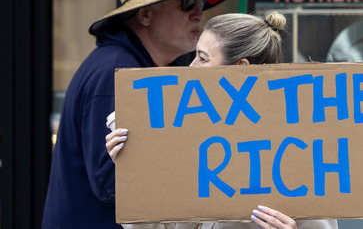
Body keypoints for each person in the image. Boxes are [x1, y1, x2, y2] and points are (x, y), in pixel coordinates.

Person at [43, 0, 238, 229]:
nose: (199, 14)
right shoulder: (118, 72)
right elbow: (113, 183)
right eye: (185, 3)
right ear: (145, 15)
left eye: (200, 3)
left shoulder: (130, 67)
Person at [105, 12, 338, 229]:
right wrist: (135, 173)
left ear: (240, 69)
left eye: (202, 58)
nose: (190, 67)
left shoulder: (298, 149)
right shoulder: (185, 138)